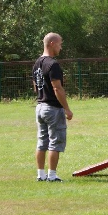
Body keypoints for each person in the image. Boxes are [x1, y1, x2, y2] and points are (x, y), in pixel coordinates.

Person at [32, 32, 73, 182]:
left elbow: (35, 86)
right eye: (60, 44)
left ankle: (40, 174)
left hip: (40, 106)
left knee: (42, 141)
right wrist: (67, 109)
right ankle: (52, 175)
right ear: (52, 43)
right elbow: (57, 89)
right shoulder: (53, 64)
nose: (60, 47)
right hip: (52, 108)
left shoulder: (37, 63)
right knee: (55, 141)